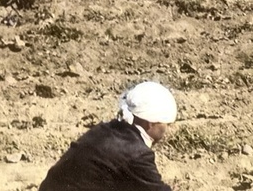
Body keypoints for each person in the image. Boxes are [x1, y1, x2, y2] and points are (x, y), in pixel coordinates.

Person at [39, 81, 177, 191]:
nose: (169, 129)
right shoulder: (137, 154)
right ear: (150, 123)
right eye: (167, 124)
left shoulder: (105, 129)